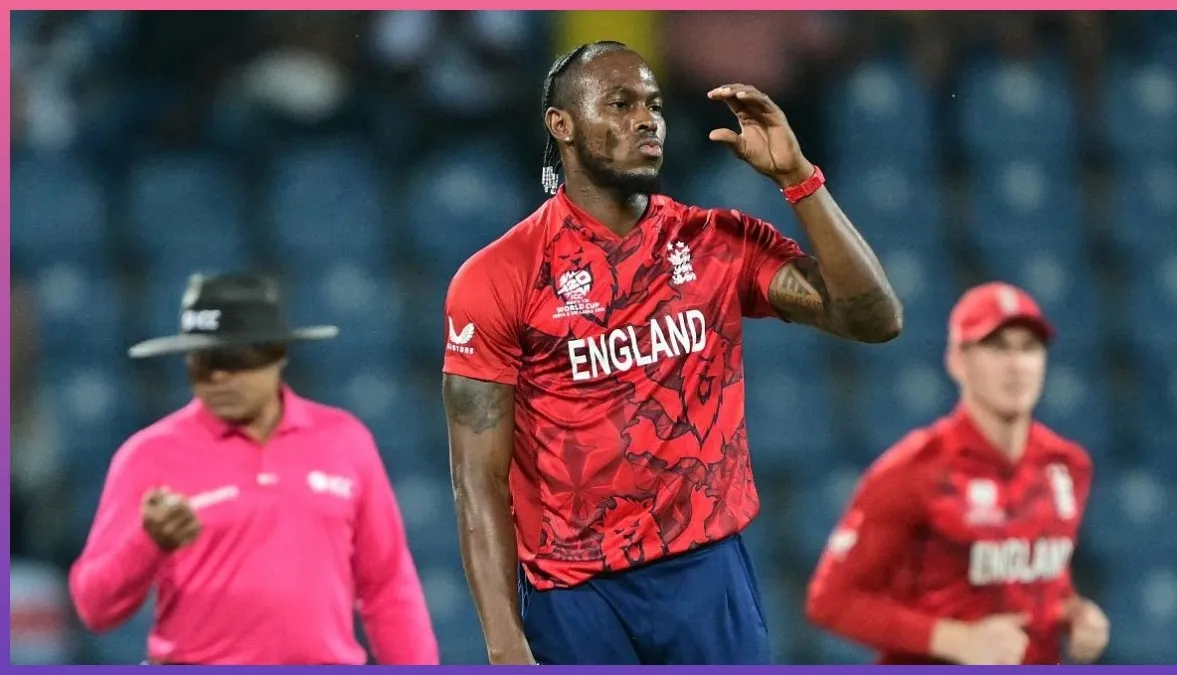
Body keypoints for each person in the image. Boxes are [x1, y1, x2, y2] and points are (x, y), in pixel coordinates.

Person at [441, 40, 903, 666]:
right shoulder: (499, 276)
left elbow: (875, 319)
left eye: (653, 105)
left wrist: (799, 179)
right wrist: (504, 645)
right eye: (620, 102)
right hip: (575, 594)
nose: (645, 119)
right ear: (562, 125)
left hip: (707, 577)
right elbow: (478, 481)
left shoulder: (717, 241)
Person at [69, 273, 439, 665]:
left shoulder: (344, 439)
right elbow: (95, 607)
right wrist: (147, 543)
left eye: (233, 358)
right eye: (201, 360)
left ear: (277, 352)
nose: (217, 377)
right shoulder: (149, 454)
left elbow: (387, 587)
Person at [804, 282, 1110, 665]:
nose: (1016, 365)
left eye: (1029, 348)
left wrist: (1076, 614)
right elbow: (831, 601)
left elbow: (1037, 575)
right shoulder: (915, 469)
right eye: (996, 347)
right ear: (957, 361)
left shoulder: (1067, 466)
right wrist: (956, 640)